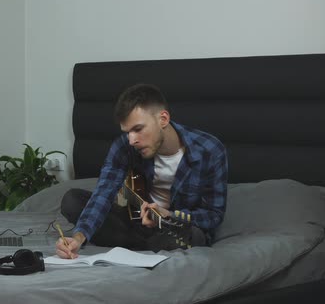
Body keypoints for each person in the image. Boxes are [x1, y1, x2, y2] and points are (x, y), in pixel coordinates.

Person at [56, 83, 227, 259]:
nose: (131, 140)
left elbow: (213, 216)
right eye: (127, 132)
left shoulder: (209, 149)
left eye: (138, 129)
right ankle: (144, 246)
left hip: (176, 227)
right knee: (72, 200)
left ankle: (137, 245)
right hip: (137, 223)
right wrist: (78, 237)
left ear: (163, 119)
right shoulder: (124, 146)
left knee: (194, 236)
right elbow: (103, 193)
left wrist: (170, 215)